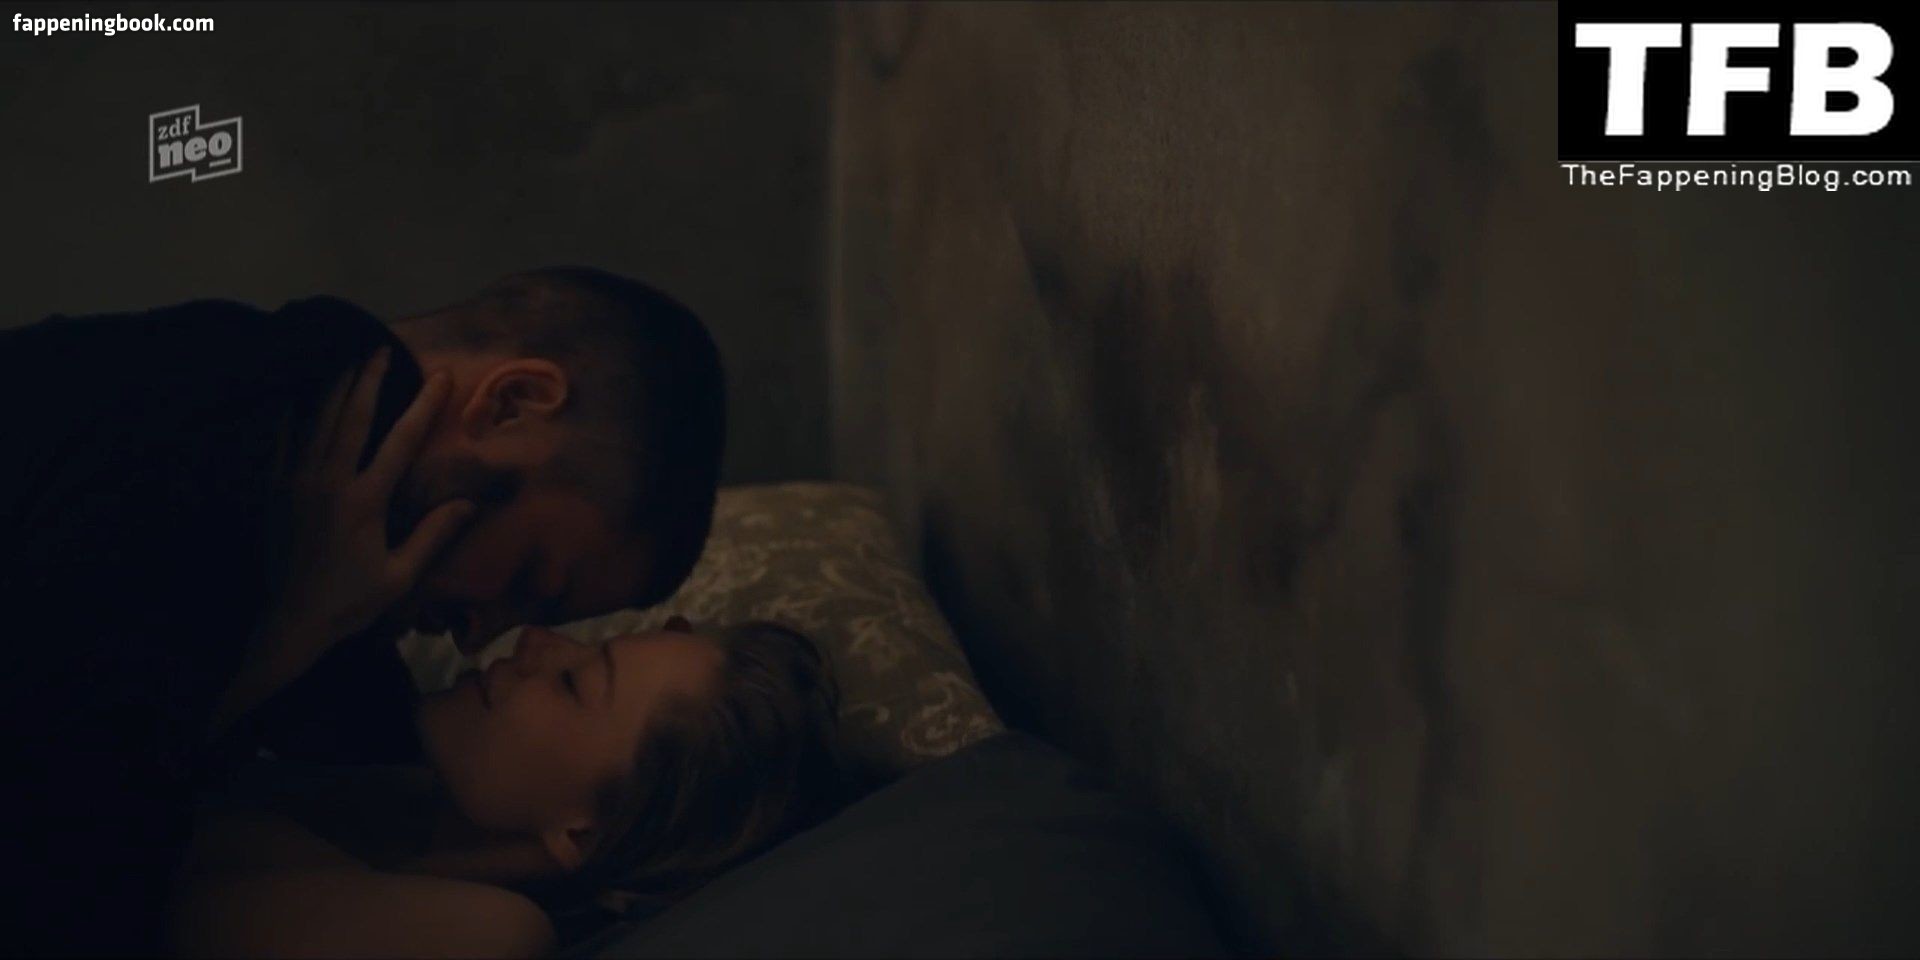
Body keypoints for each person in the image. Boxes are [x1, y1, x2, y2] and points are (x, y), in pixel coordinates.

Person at [0, 266, 727, 955]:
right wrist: (290, 640)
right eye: (527, 577)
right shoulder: (194, 452)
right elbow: (61, 894)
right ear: (511, 404)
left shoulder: (334, 586)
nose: (479, 639)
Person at [169, 620, 843, 958]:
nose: (536, 641)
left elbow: (145, 903)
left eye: (574, 683)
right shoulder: (366, 744)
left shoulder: (491, 933)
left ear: (583, 833)